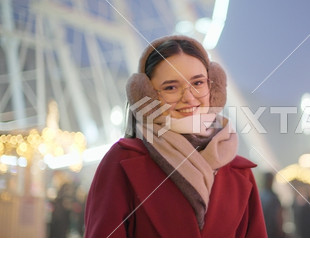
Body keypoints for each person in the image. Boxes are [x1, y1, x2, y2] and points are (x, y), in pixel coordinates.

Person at [84, 35, 267, 238]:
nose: (188, 97)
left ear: (213, 88)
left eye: (198, 83)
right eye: (171, 87)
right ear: (146, 96)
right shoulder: (120, 161)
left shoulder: (241, 173)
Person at [259, 172, 284, 237]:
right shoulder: (274, 197)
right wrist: (280, 230)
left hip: (264, 230)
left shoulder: (260, 196)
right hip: (272, 232)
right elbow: (279, 216)